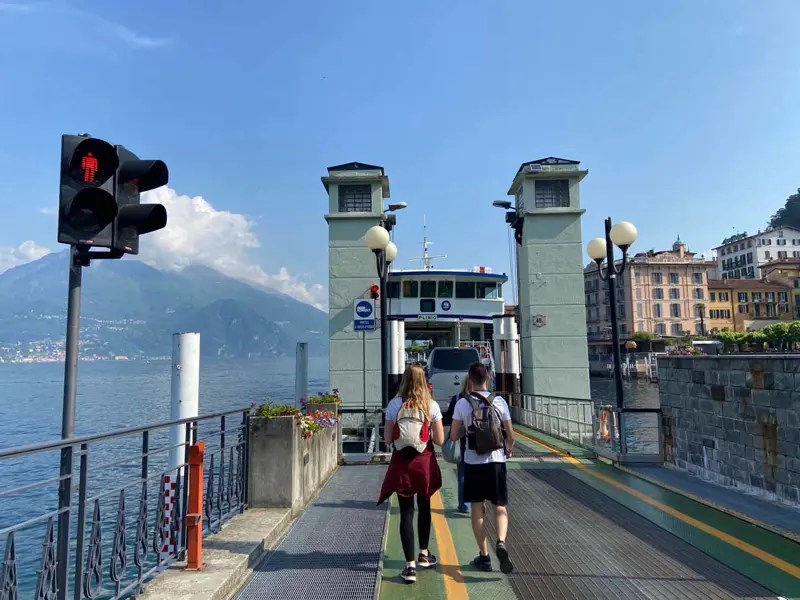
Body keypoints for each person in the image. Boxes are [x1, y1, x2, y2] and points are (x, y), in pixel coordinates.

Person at [377, 364, 445, 583]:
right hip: (424, 462)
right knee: (425, 507)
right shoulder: (431, 405)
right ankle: (424, 554)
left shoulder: (394, 405)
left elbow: (387, 438)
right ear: (424, 381)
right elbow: (439, 440)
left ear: (404, 380)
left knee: (406, 511)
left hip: (402, 463)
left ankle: (409, 567)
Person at [450, 362, 515, 574]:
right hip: (497, 461)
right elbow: (511, 434)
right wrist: (509, 449)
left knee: (477, 510)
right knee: (500, 506)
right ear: (487, 377)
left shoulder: (463, 403)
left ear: (470, 379)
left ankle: (484, 556)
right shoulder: (499, 401)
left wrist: (465, 433)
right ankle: (502, 541)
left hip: (473, 462)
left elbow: (453, 435)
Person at [442, 377, 471, 513]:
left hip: (462, 441)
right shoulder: (485, 399)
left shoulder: (458, 399)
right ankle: (479, 504)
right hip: (481, 442)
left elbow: (448, 418)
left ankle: (464, 505)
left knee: (462, 474)